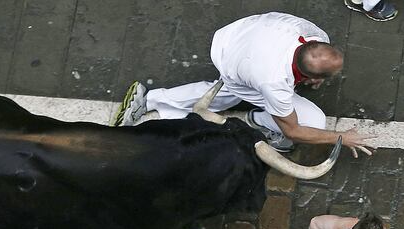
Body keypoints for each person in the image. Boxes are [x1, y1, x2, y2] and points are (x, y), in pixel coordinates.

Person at [114, 12, 375, 157]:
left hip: (237, 36)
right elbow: (295, 131)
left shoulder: (314, 35)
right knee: (308, 122)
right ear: (309, 77)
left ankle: (149, 99)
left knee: (228, 91)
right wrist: (341, 138)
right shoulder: (274, 83)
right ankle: (260, 121)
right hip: (235, 63)